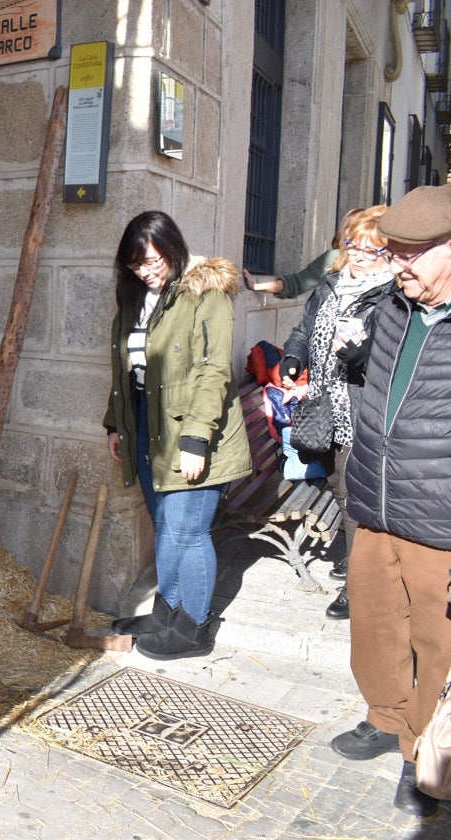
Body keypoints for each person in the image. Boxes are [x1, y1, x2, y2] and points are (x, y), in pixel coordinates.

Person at [329, 184, 451, 818]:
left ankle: (423, 754)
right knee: (376, 625)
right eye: (393, 251)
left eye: (411, 254)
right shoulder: (394, 308)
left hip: (439, 515)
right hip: (375, 501)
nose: (397, 265)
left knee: (438, 643)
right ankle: (385, 714)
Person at [104, 211, 251, 660]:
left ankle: (195, 628)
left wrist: (196, 439)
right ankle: (168, 612)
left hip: (191, 427)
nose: (146, 271)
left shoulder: (205, 289)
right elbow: (126, 367)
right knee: (166, 525)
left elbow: (214, 369)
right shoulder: (136, 296)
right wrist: (117, 423)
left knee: (188, 530)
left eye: (153, 261)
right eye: (136, 265)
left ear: (173, 248)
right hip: (150, 423)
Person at [277, 206, 395, 621]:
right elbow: (305, 330)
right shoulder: (331, 283)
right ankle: (357, 561)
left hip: (359, 412)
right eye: (354, 246)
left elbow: (392, 357)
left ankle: (357, 588)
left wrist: (363, 356)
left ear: (387, 251)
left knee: (351, 498)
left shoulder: (392, 295)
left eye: (371, 249)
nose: (360, 256)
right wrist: (293, 357)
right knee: (339, 487)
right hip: (322, 407)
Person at [242, 208, 365, 298]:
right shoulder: (336, 258)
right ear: (347, 232)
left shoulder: (380, 261)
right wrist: (256, 286)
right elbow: (298, 282)